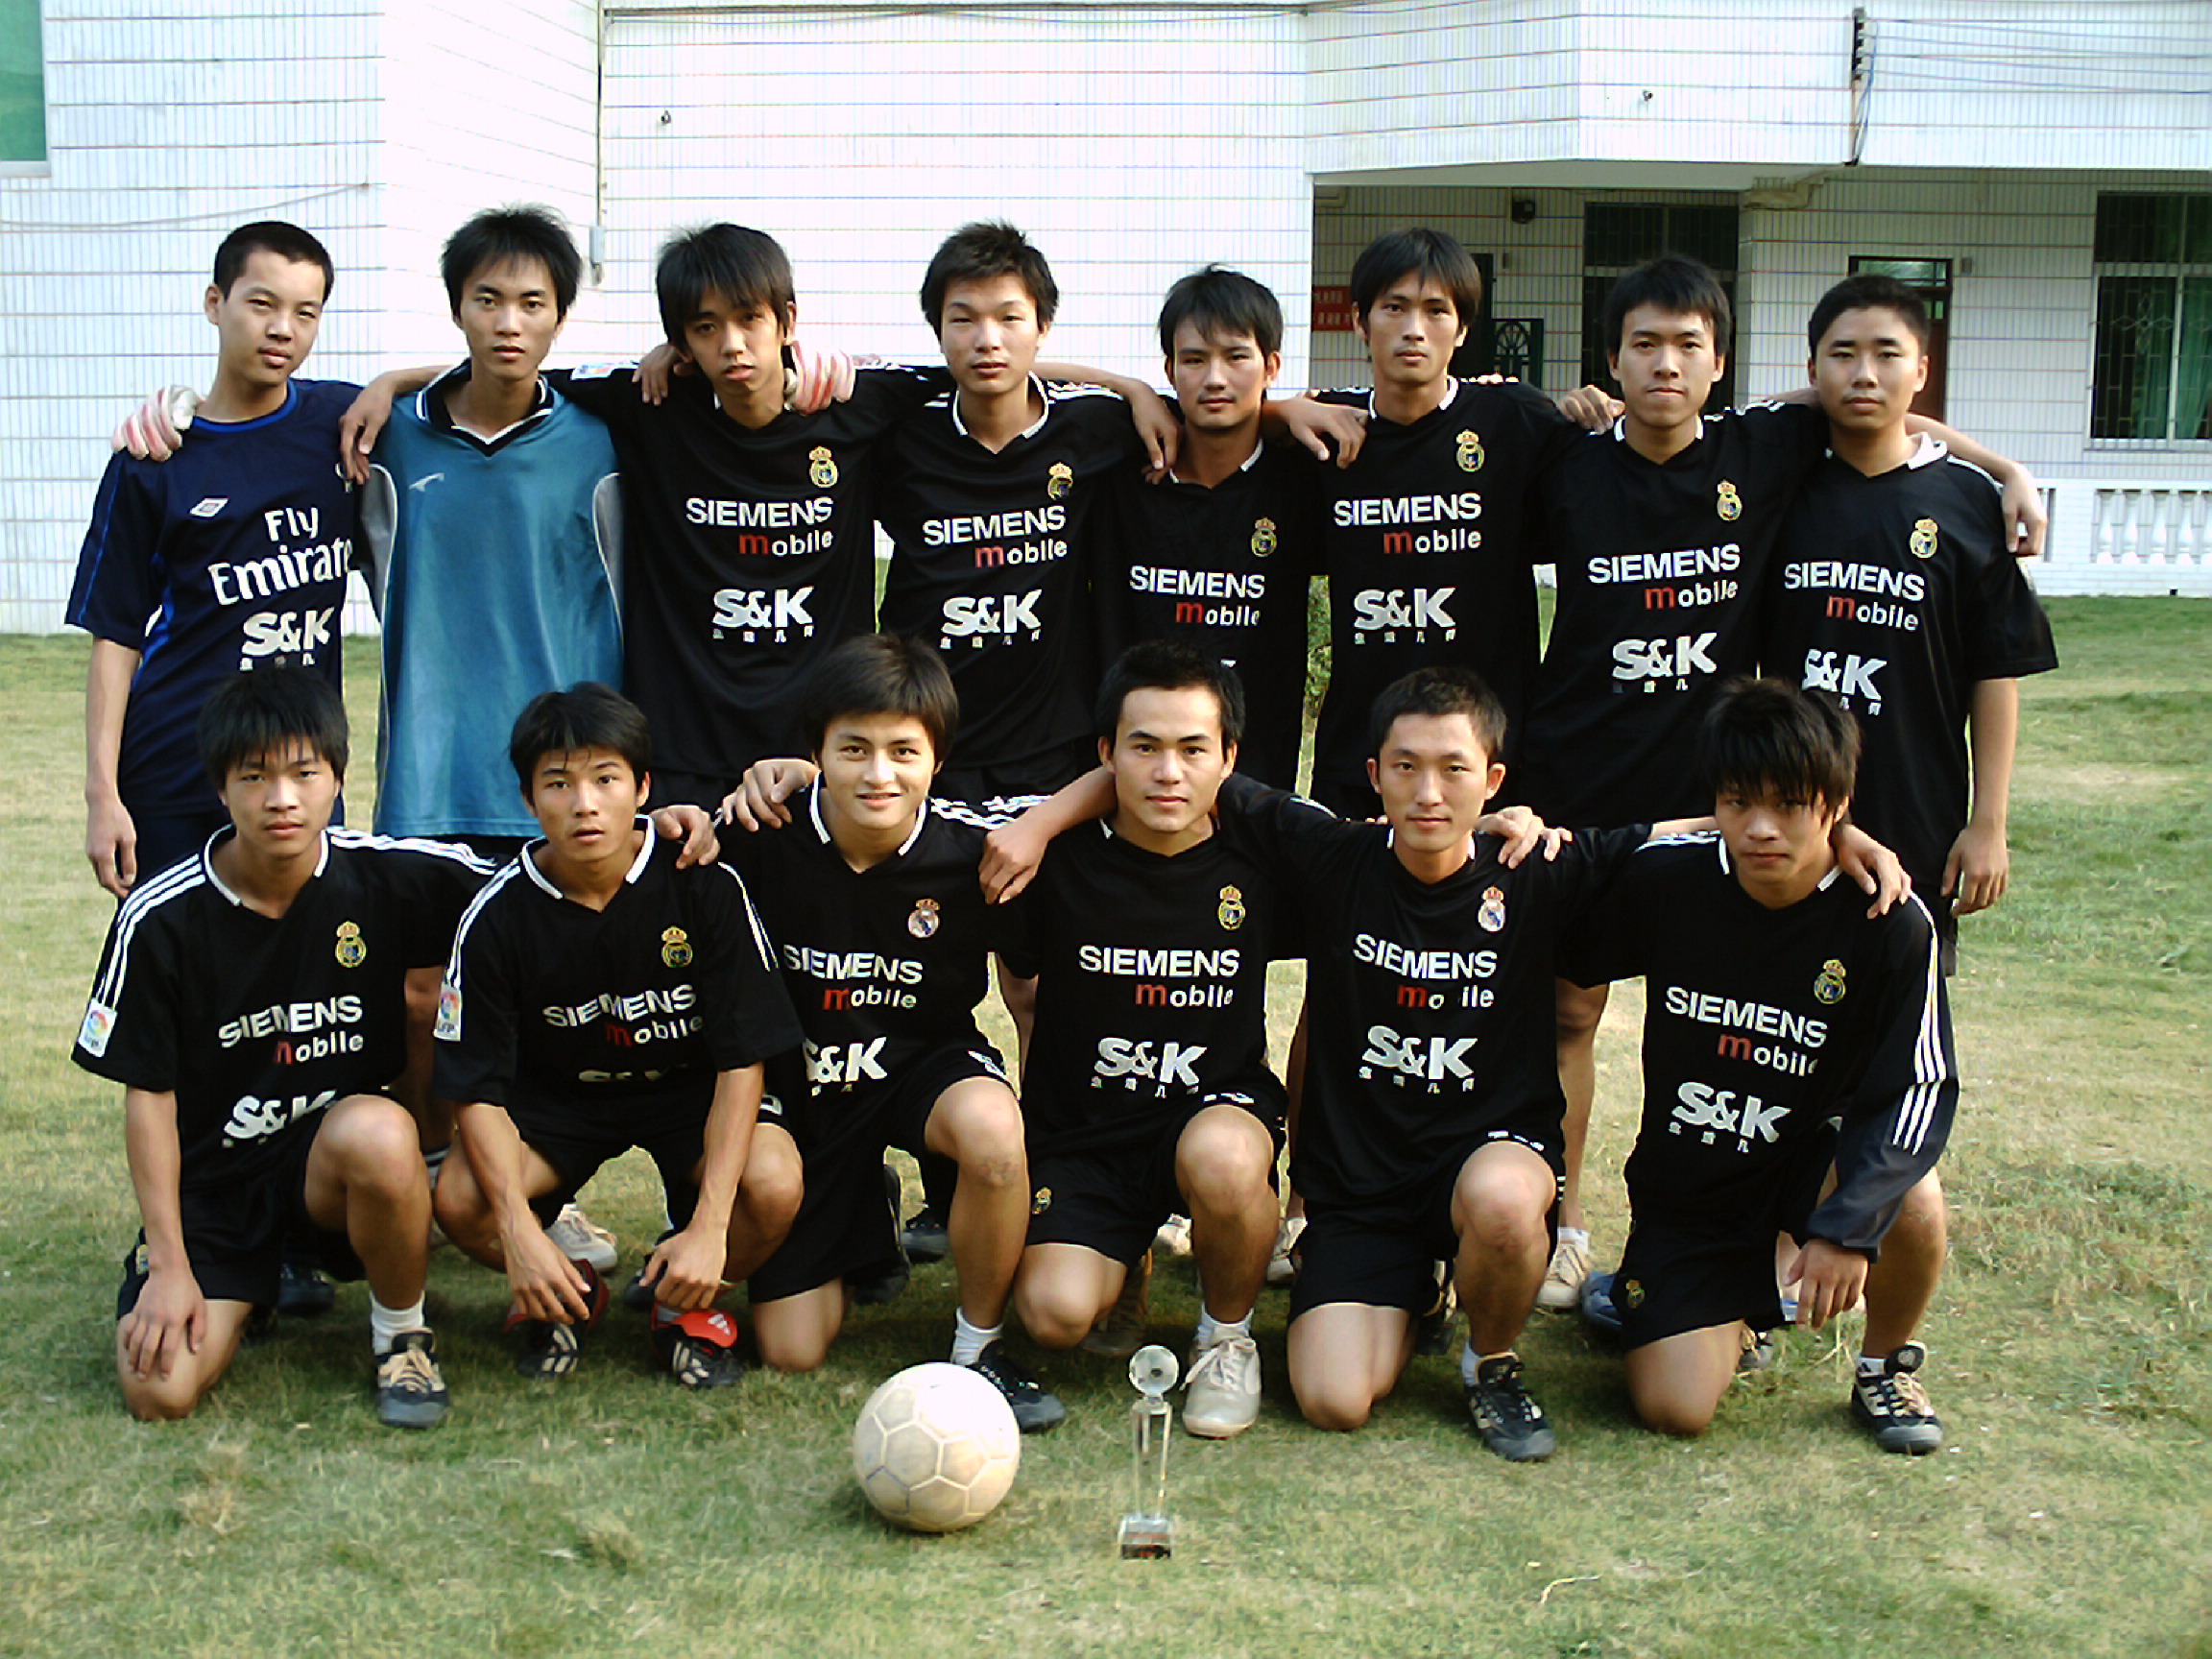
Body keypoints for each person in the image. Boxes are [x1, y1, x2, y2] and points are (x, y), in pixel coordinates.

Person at [1204, 667, 1909, 1456]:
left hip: (1488, 1158)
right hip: (1365, 1188)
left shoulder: (1534, 865)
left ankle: (1490, 1362)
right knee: (1333, 1400)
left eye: (1454, 769)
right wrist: (1076, 799)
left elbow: (1694, 833)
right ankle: (1418, 1295)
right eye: (1406, 767)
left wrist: (1837, 832)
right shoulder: (1336, 853)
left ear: (1493, 779)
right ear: (1374, 775)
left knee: (1506, 1204)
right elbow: (1193, 775)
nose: (1428, 792)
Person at [1525, 254, 2046, 1315]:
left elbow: (1877, 408)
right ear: (1612, 357)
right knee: (1569, 1013)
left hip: (1733, 796)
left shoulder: (1763, 446)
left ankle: (1765, 1252)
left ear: (1720, 362)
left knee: (1759, 1029)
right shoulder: (1568, 455)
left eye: (1688, 344)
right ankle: (1563, 1231)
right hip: (1590, 779)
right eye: (1642, 344)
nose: (1665, 364)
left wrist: (2006, 470)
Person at [72, 667, 488, 1428]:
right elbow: (149, 1101)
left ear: (338, 780)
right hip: (216, 1192)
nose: (282, 799)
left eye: (304, 774)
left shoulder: (388, 876)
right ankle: (246, 1291)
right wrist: (170, 1265)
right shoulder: (161, 918)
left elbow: (535, 883)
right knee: (158, 1392)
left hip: (334, 1177)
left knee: (378, 1129)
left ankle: (401, 1337)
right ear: (220, 788)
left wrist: (652, 833)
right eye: (255, 777)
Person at [1564, 680, 1957, 1453]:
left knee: (1912, 1197)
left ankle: (1883, 1366)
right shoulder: (1669, 878)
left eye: (1790, 805)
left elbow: (1918, 1087)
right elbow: (1558, 892)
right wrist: (1507, 831)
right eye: (1738, 803)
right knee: (1674, 1409)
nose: (1761, 829)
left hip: (1810, 1166)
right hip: (1694, 1185)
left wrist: (1848, 1227)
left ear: (1836, 804)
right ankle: (1736, 1307)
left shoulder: (1889, 918)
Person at [710, 635, 1072, 1431]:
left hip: (922, 1067)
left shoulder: (977, 851)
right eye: (855, 749)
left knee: (992, 1131)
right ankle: (863, 1222)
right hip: (805, 1091)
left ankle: (979, 1348)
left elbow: (1118, 782)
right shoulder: (756, 834)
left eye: (904, 751)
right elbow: (654, 846)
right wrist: (684, 817)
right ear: (815, 752)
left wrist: (1044, 824)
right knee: (792, 1349)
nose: (879, 774)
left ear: (937, 760)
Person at [431, 685, 804, 1387]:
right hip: (561, 1100)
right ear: (527, 799)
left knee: (773, 1183)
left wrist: (711, 1226)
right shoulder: (497, 916)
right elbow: (475, 1087)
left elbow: (743, 1058)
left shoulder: (702, 881)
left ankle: (682, 1305)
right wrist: (518, 1233)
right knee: (460, 1199)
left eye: (606, 780)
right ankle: (566, 1293)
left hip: (688, 1094)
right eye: (558, 784)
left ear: (643, 787)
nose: (585, 804)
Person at [999, 643, 1293, 1438]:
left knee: (1226, 1161)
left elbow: (1391, 846)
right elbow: (1019, 985)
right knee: (1054, 1316)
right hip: (1087, 1136)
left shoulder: (1268, 856)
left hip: (1211, 1112)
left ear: (1229, 758)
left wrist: (1496, 822)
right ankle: (1124, 1254)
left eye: (1194, 749)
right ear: (1106, 753)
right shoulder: (1051, 860)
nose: (1168, 773)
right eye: (1144, 747)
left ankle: (1225, 1338)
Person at [1766, 272, 2059, 971]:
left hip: (1916, 810)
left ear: (1922, 370)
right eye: (1842, 355)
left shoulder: (1968, 504)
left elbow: (1995, 672)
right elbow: (1744, 415)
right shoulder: (1773, 483)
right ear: (1812, 370)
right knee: (1779, 1011)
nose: (1865, 374)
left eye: (1888, 354)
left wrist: (1988, 824)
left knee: (1900, 1012)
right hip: (1784, 809)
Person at [71, 222, 354, 900]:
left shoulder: (341, 422)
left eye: (306, 313)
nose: (282, 328)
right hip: (175, 770)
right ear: (214, 303)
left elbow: (482, 381)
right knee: (173, 960)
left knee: (305, 957)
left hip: (299, 775)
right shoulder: (153, 459)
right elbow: (116, 635)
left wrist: (394, 381)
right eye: (262, 303)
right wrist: (102, 795)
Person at [875, 221, 1174, 805]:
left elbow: (1223, 421)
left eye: (1010, 318)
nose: (988, 340)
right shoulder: (896, 431)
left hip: (1052, 745)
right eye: (963, 319)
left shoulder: (1093, 427)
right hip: (924, 740)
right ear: (937, 331)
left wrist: (1133, 390)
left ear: (1042, 327)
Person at [1303, 228, 1583, 818]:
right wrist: (1279, 410)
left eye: (1436, 311)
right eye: (1394, 307)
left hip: (1486, 757)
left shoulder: (1513, 420)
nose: (1414, 329)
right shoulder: (1324, 430)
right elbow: (1211, 423)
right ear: (1359, 321)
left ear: (1462, 329)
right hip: (1362, 751)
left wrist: (1602, 409)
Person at [1092, 266, 1319, 791]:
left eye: (1236, 357)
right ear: (1170, 371)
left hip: (1255, 775)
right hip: (1132, 774)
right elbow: (1013, 373)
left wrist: (1282, 411)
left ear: (1271, 366)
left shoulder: (1303, 475)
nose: (1215, 379)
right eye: (1195, 360)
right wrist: (1131, 388)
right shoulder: (1124, 463)